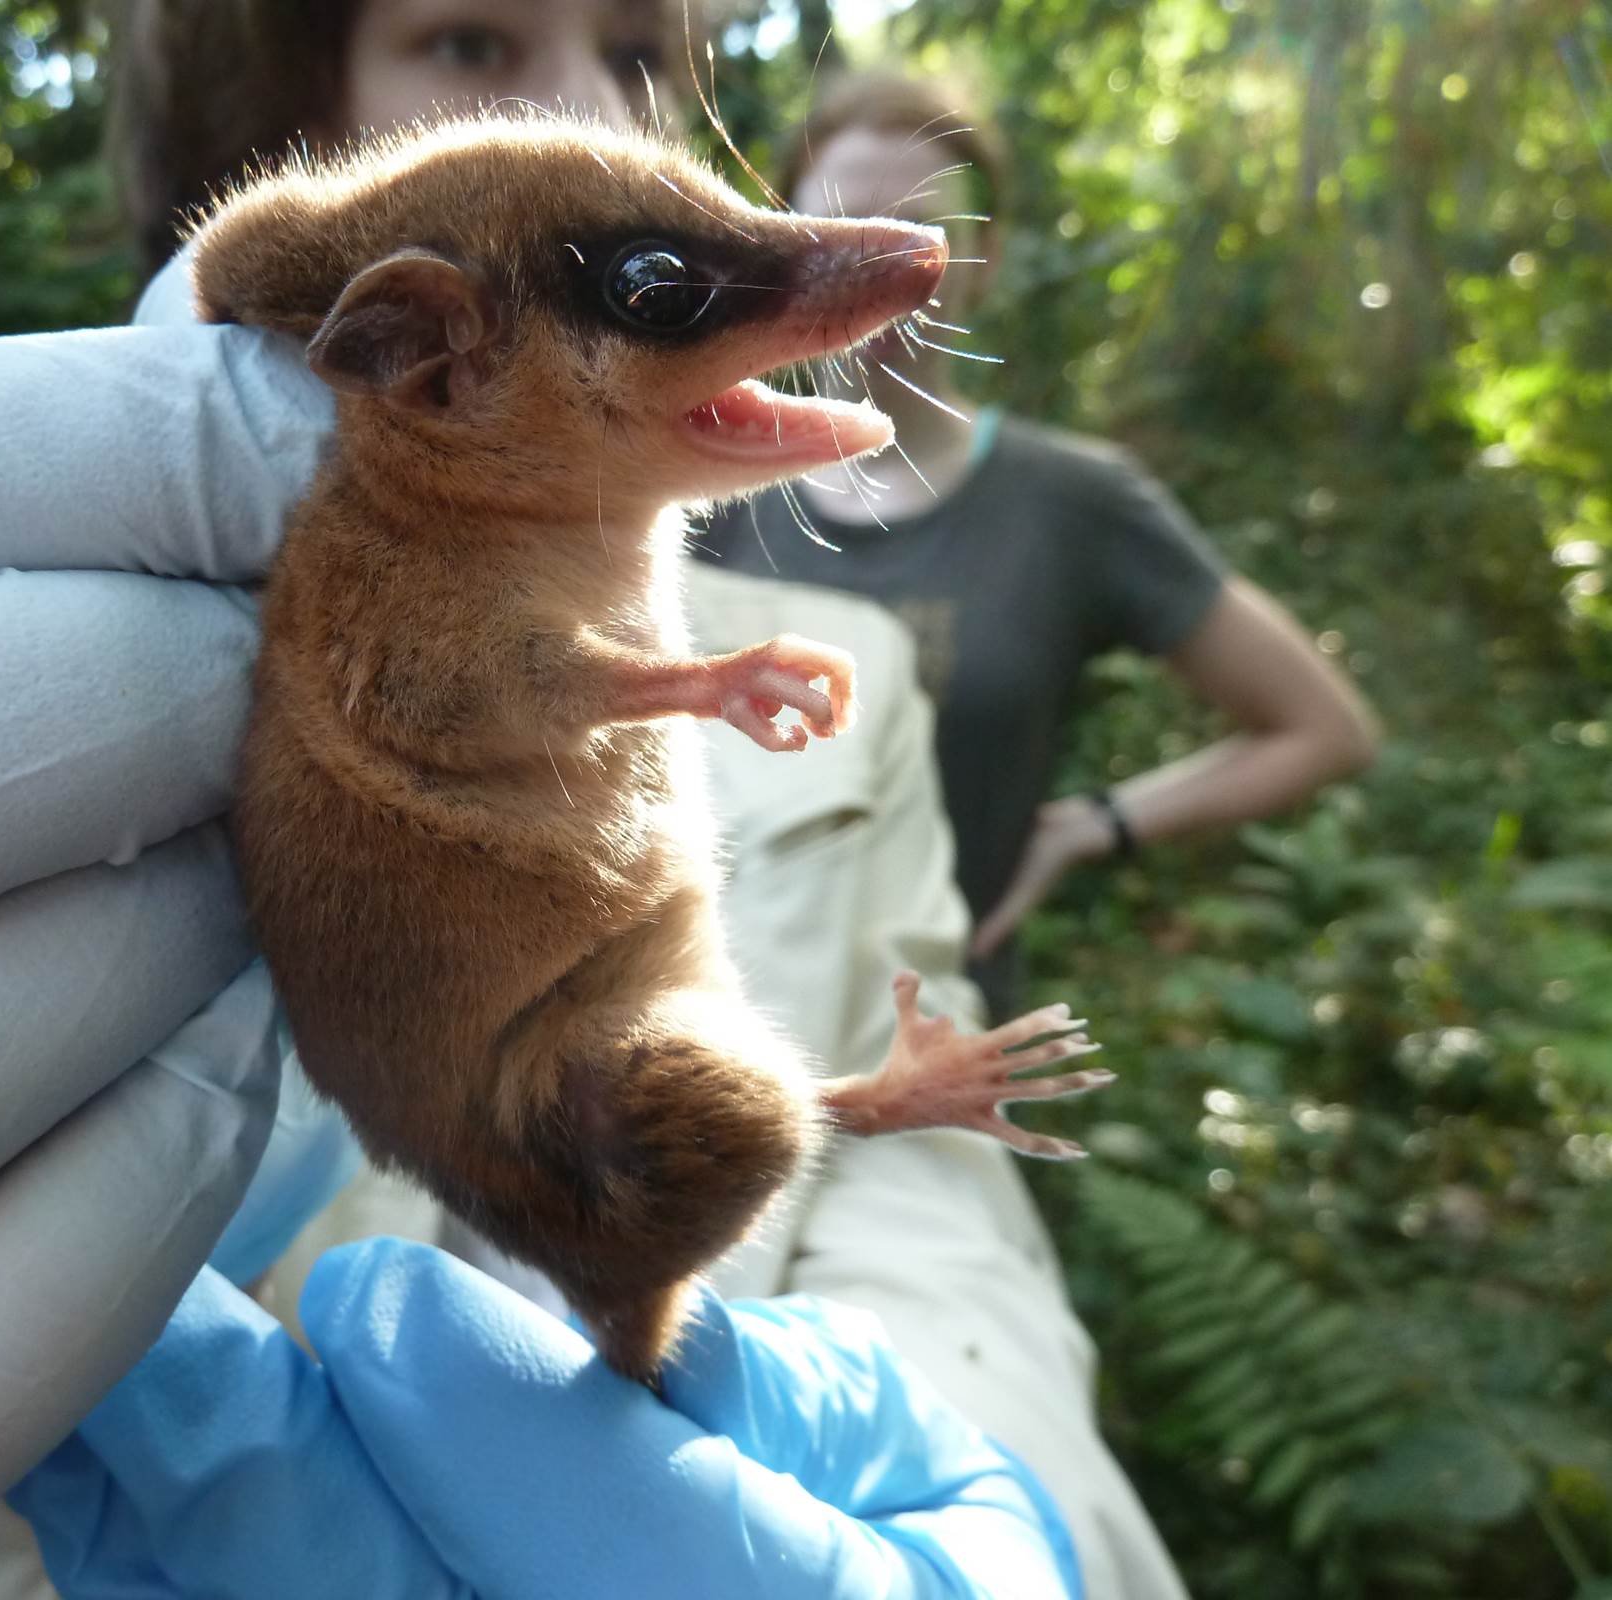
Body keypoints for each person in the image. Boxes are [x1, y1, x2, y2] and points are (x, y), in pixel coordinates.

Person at [0, 5, 1077, 1598]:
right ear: (421, 339)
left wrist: (1000, 1524)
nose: (599, 104)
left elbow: (953, 1253)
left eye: (648, 59)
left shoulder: (858, 672)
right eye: (466, 44)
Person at [262, 561, 1194, 1600]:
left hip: (691, 1374)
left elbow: (921, 1192)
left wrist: (983, 1502)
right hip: (316, 1438)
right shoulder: (198, 618)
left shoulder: (847, 658)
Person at [698, 69, 1382, 1021]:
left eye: (918, 236)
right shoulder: (701, 492)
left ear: (982, 259)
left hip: (942, 1060)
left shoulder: (1071, 504)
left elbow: (1323, 728)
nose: (872, 274)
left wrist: (1094, 827)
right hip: (699, 1043)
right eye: (830, 234)